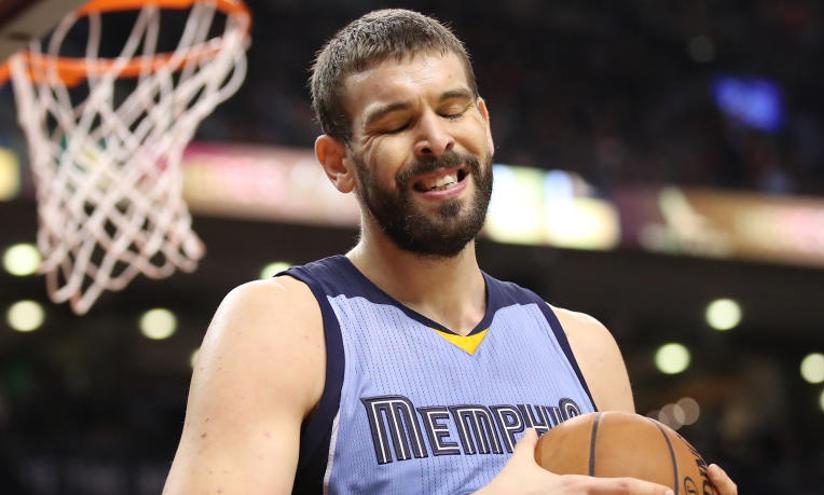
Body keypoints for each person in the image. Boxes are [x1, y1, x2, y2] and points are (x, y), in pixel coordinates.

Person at [163, 9, 738, 495]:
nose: (436, 139)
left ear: (484, 125)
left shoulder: (585, 347)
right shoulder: (280, 324)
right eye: (395, 122)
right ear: (338, 163)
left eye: (453, 109)